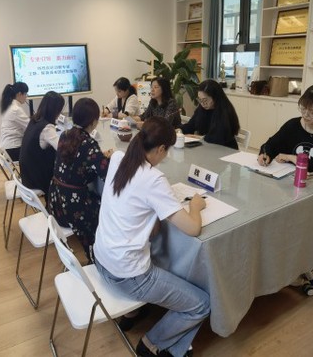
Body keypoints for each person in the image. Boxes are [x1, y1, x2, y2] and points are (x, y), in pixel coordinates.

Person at [93, 117, 210, 357]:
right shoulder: (154, 179)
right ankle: (151, 344)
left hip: (102, 259)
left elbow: (148, 221)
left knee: (160, 252)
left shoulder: (118, 158)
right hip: (127, 275)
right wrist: (195, 206)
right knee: (201, 304)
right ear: (161, 149)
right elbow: (192, 229)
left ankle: (153, 329)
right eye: (166, 152)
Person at [49, 98, 111, 263]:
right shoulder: (89, 144)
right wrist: (108, 159)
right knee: (109, 209)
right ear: (94, 121)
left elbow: (76, 163)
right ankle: (99, 257)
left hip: (56, 203)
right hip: (73, 208)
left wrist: (99, 158)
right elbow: (106, 173)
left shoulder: (64, 135)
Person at [257, 83, 313, 179]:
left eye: (312, 111)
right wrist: (265, 154)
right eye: (303, 108)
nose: (306, 114)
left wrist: (292, 158)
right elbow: (270, 145)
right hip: (291, 179)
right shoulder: (293, 125)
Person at [19, 91, 65, 196]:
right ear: (55, 110)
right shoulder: (47, 128)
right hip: (37, 179)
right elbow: (62, 148)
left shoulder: (34, 120)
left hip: (27, 175)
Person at [181, 79, 241, 149]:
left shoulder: (225, 111)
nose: (203, 103)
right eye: (200, 100)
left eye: (205, 100)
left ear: (215, 97)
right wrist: (180, 130)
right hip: (208, 148)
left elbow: (218, 138)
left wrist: (198, 137)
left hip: (226, 149)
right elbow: (191, 125)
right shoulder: (202, 108)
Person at [0, 82, 30, 161]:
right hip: (13, 149)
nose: (26, 97)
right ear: (19, 94)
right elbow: (30, 126)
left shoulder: (8, 106)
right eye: (25, 94)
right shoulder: (16, 109)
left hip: (6, 148)